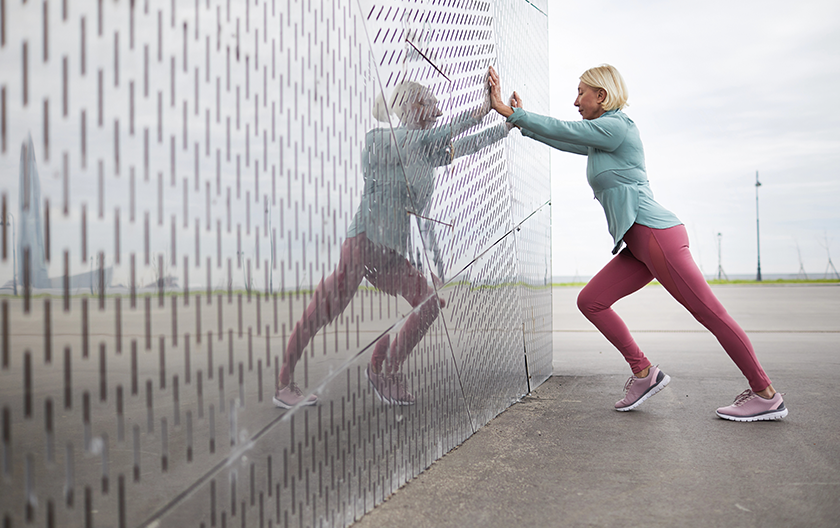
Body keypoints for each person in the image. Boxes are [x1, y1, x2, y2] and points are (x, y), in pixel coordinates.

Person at [487, 64, 788, 421]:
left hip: (657, 236)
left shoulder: (617, 126)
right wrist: (520, 122)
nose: (575, 101)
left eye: (581, 92)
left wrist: (517, 113)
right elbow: (564, 138)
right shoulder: (601, 140)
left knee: (710, 313)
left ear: (601, 95)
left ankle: (765, 394)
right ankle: (643, 373)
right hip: (640, 245)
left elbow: (567, 128)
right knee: (591, 301)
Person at [274, 80, 511, 408]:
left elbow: (466, 144)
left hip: (391, 251)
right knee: (323, 312)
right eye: (431, 105)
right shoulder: (383, 139)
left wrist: (508, 126)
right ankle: (284, 383)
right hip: (364, 242)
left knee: (428, 303)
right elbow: (446, 133)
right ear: (412, 108)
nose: (439, 112)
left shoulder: (422, 149)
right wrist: (486, 108)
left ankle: (383, 370)